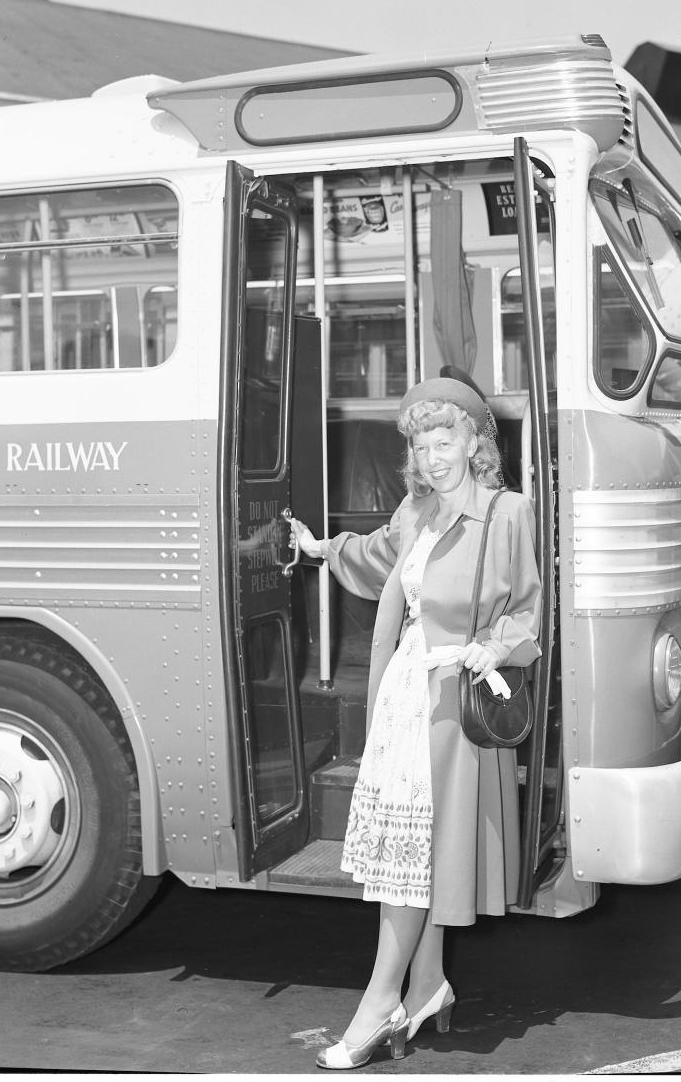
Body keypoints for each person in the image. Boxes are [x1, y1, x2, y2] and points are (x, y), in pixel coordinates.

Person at [289, 375, 542, 1071]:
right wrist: (319, 549)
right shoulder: (415, 514)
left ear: (475, 443)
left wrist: (498, 644)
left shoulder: (506, 513)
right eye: (422, 443)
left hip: (455, 706)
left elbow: (528, 608)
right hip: (405, 699)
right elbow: (377, 562)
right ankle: (427, 985)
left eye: (446, 439)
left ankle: (380, 1004)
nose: (433, 456)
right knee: (416, 859)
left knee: (408, 866)